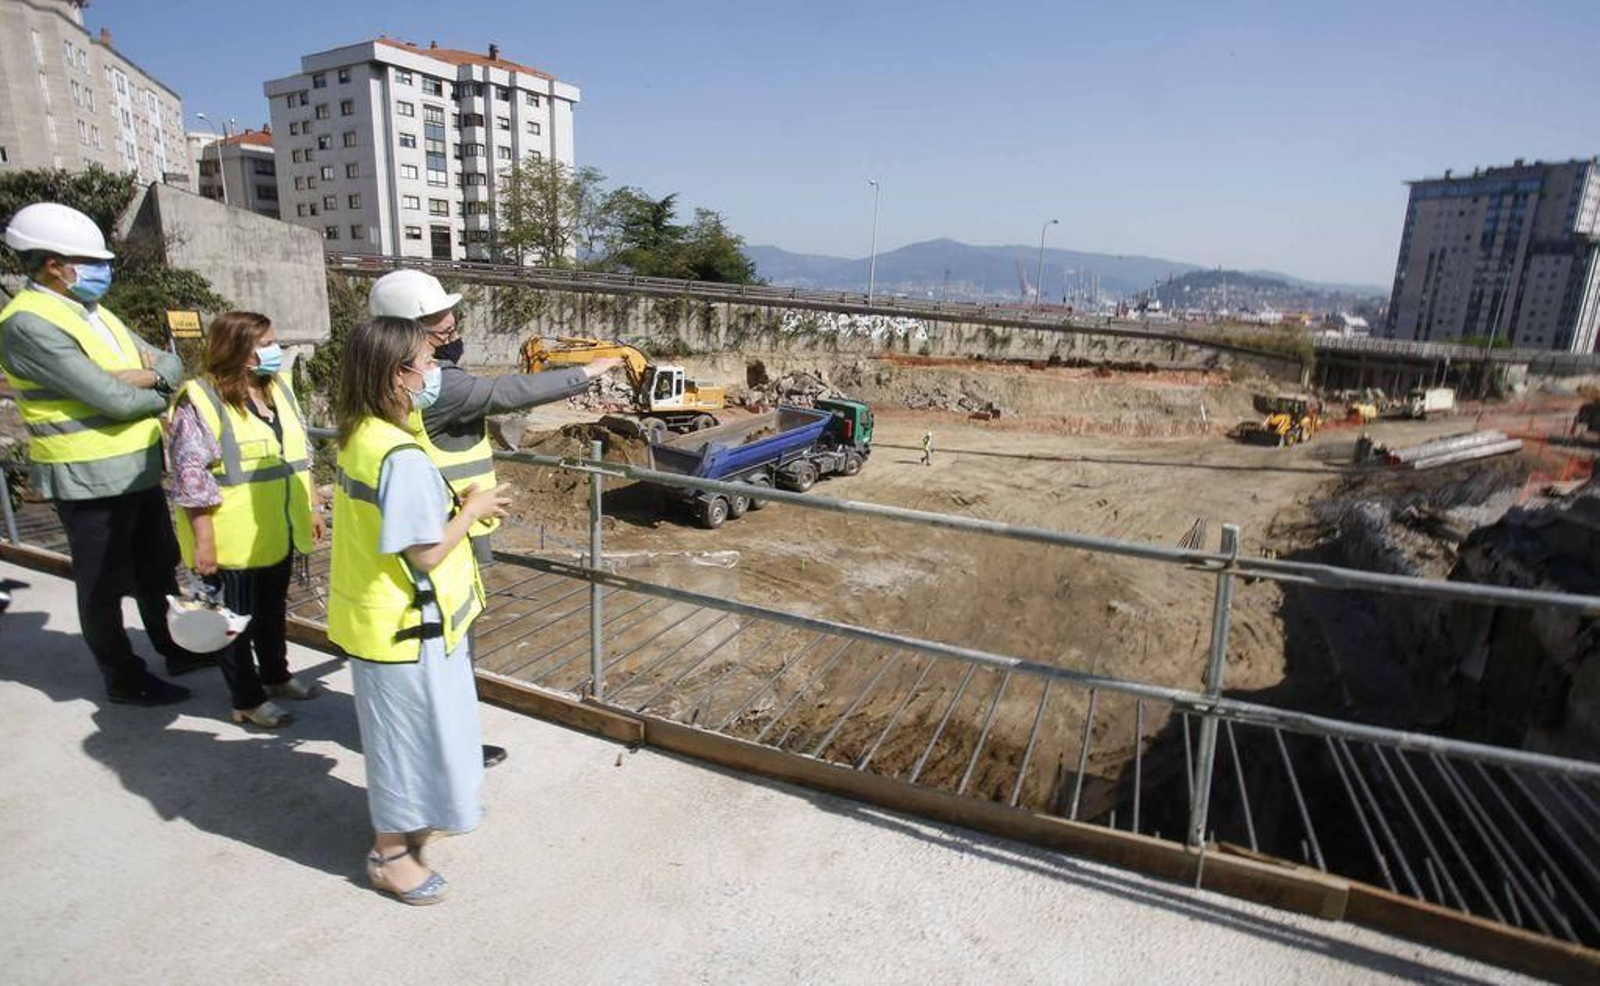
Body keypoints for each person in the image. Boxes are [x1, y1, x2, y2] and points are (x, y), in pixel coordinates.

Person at [368, 269, 620, 768]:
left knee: (442, 644)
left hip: (429, 524)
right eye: (443, 330)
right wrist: (589, 372)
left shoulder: (378, 388)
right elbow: (510, 392)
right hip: (448, 528)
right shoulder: (441, 387)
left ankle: (441, 740)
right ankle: (450, 748)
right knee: (449, 644)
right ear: (408, 338)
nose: (454, 333)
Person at [328, 316, 510, 905]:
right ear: (396, 375)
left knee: (422, 735)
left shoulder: (361, 433)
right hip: (405, 627)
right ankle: (390, 855)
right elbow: (426, 552)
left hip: (386, 617)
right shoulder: (399, 454)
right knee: (402, 747)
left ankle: (423, 820)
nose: (434, 371)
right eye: (425, 362)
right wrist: (473, 510)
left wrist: (449, 503)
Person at [0, 202, 211, 706]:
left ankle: (174, 646)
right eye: (93, 262)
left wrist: (145, 377)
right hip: (87, 475)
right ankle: (122, 675)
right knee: (102, 582)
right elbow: (112, 400)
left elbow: (170, 363)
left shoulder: (95, 313)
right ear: (54, 264)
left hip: (139, 468)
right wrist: (154, 389)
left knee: (158, 567)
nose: (103, 271)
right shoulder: (27, 324)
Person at [168, 311, 324, 727]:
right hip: (230, 539)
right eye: (267, 344)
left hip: (276, 529)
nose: (276, 351)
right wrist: (204, 541)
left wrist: (311, 505)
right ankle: (247, 699)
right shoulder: (201, 400)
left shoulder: (278, 390)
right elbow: (190, 476)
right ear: (239, 351)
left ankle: (275, 675)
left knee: (271, 611)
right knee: (232, 623)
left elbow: (301, 455)